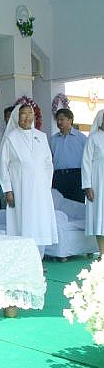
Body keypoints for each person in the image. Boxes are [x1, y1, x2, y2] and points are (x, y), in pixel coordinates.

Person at [0, 104, 58, 259]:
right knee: (23, 224)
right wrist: (8, 190)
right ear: (17, 117)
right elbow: (3, 165)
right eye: (23, 114)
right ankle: (24, 261)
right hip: (20, 189)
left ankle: (39, 260)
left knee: (40, 223)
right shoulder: (11, 138)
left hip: (40, 190)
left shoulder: (41, 136)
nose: (27, 117)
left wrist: (46, 185)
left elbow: (48, 163)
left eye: (30, 113)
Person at [81, 109, 104, 257]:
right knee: (100, 217)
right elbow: (86, 163)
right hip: (98, 183)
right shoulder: (93, 138)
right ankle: (102, 253)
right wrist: (87, 186)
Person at [51, 108, 87, 203]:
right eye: (57, 120)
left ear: (70, 120)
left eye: (62, 119)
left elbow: (87, 159)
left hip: (76, 176)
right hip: (58, 177)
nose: (59, 122)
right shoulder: (53, 139)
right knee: (58, 205)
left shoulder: (82, 138)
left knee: (77, 206)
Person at [0, 106, 14, 208]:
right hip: (3, 177)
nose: (9, 119)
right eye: (7, 117)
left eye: (11, 116)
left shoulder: (21, 136)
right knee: (4, 206)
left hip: (17, 176)